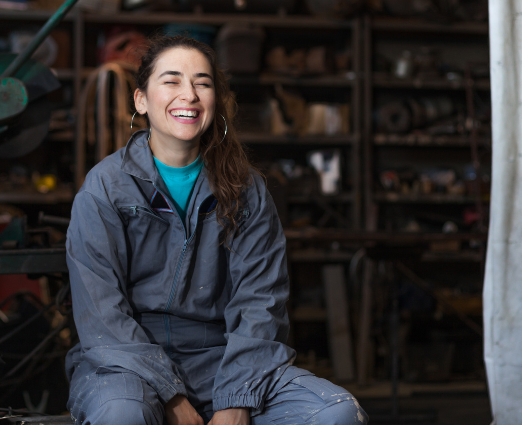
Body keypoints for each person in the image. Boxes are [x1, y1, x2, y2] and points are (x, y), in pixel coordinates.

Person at [64, 35, 368, 425]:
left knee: (336, 414)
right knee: (122, 413)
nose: (188, 94)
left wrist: (236, 400)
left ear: (215, 102)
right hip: (126, 363)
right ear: (141, 100)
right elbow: (101, 312)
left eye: (202, 83)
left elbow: (261, 301)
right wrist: (171, 395)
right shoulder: (105, 187)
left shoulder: (247, 189)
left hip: (225, 358)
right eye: (171, 81)